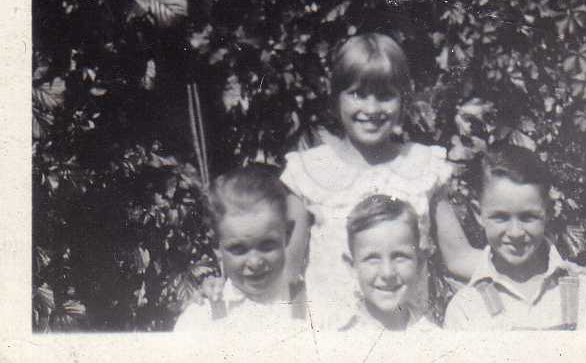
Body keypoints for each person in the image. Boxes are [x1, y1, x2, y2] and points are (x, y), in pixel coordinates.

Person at [280, 33, 477, 329]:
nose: (371, 109)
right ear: (336, 98)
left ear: (403, 100)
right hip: (333, 338)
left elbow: (460, 257)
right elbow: (286, 271)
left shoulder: (421, 167)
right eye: (357, 94)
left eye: (385, 95)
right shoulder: (309, 171)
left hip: (405, 337)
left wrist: (536, 267)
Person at [443, 144, 586, 331]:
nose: (515, 232)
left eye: (528, 217)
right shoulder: (467, 308)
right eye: (500, 217)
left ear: (549, 211)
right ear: (478, 213)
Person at [174, 164, 306, 333]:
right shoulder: (200, 319)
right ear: (216, 245)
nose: (255, 262)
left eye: (267, 245)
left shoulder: (317, 306)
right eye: (239, 249)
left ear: (287, 235)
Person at [340, 193, 440, 333]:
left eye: (399, 256)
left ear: (420, 263)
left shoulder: (433, 336)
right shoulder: (340, 339)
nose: (387, 273)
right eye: (372, 258)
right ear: (352, 266)